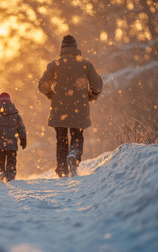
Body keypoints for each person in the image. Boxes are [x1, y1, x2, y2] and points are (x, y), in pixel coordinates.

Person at [38, 35, 103, 177]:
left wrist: (50, 93)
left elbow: (43, 86)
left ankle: (62, 167)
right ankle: (74, 154)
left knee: (61, 138)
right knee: (77, 134)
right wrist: (92, 95)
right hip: (79, 106)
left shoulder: (54, 65)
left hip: (59, 107)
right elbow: (97, 85)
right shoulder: (85, 64)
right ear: (76, 47)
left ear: (61, 48)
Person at [0, 92, 26, 182]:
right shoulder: (16, 115)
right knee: (11, 159)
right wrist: (23, 139)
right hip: (11, 143)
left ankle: (0, 172)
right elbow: (21, 128)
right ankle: (11, 174)